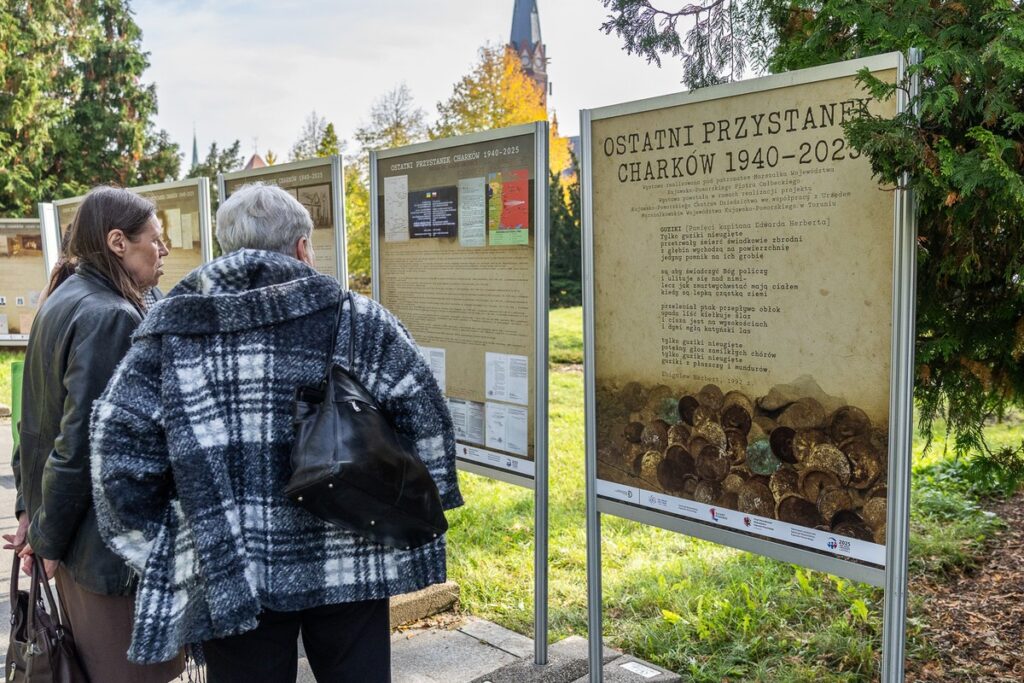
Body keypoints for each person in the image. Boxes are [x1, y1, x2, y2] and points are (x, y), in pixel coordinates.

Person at [90, 183, 463, 682]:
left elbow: (116, 453)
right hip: (352, 545)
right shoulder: (356, 317)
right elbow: (427, 416)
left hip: (233, 566)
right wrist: (420, 504)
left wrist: (168, 544)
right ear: (303, 247)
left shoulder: (172, 332)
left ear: (227, 248)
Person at [9, 185, 183, 682]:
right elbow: (82, 448)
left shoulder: (64, 296)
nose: (165, 249)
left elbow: (33, 422)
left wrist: (31, 512)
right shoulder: (111, 316)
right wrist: (44, 537)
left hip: (77, 545)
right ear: (117, 242)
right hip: (106, 555)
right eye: (156, 238)